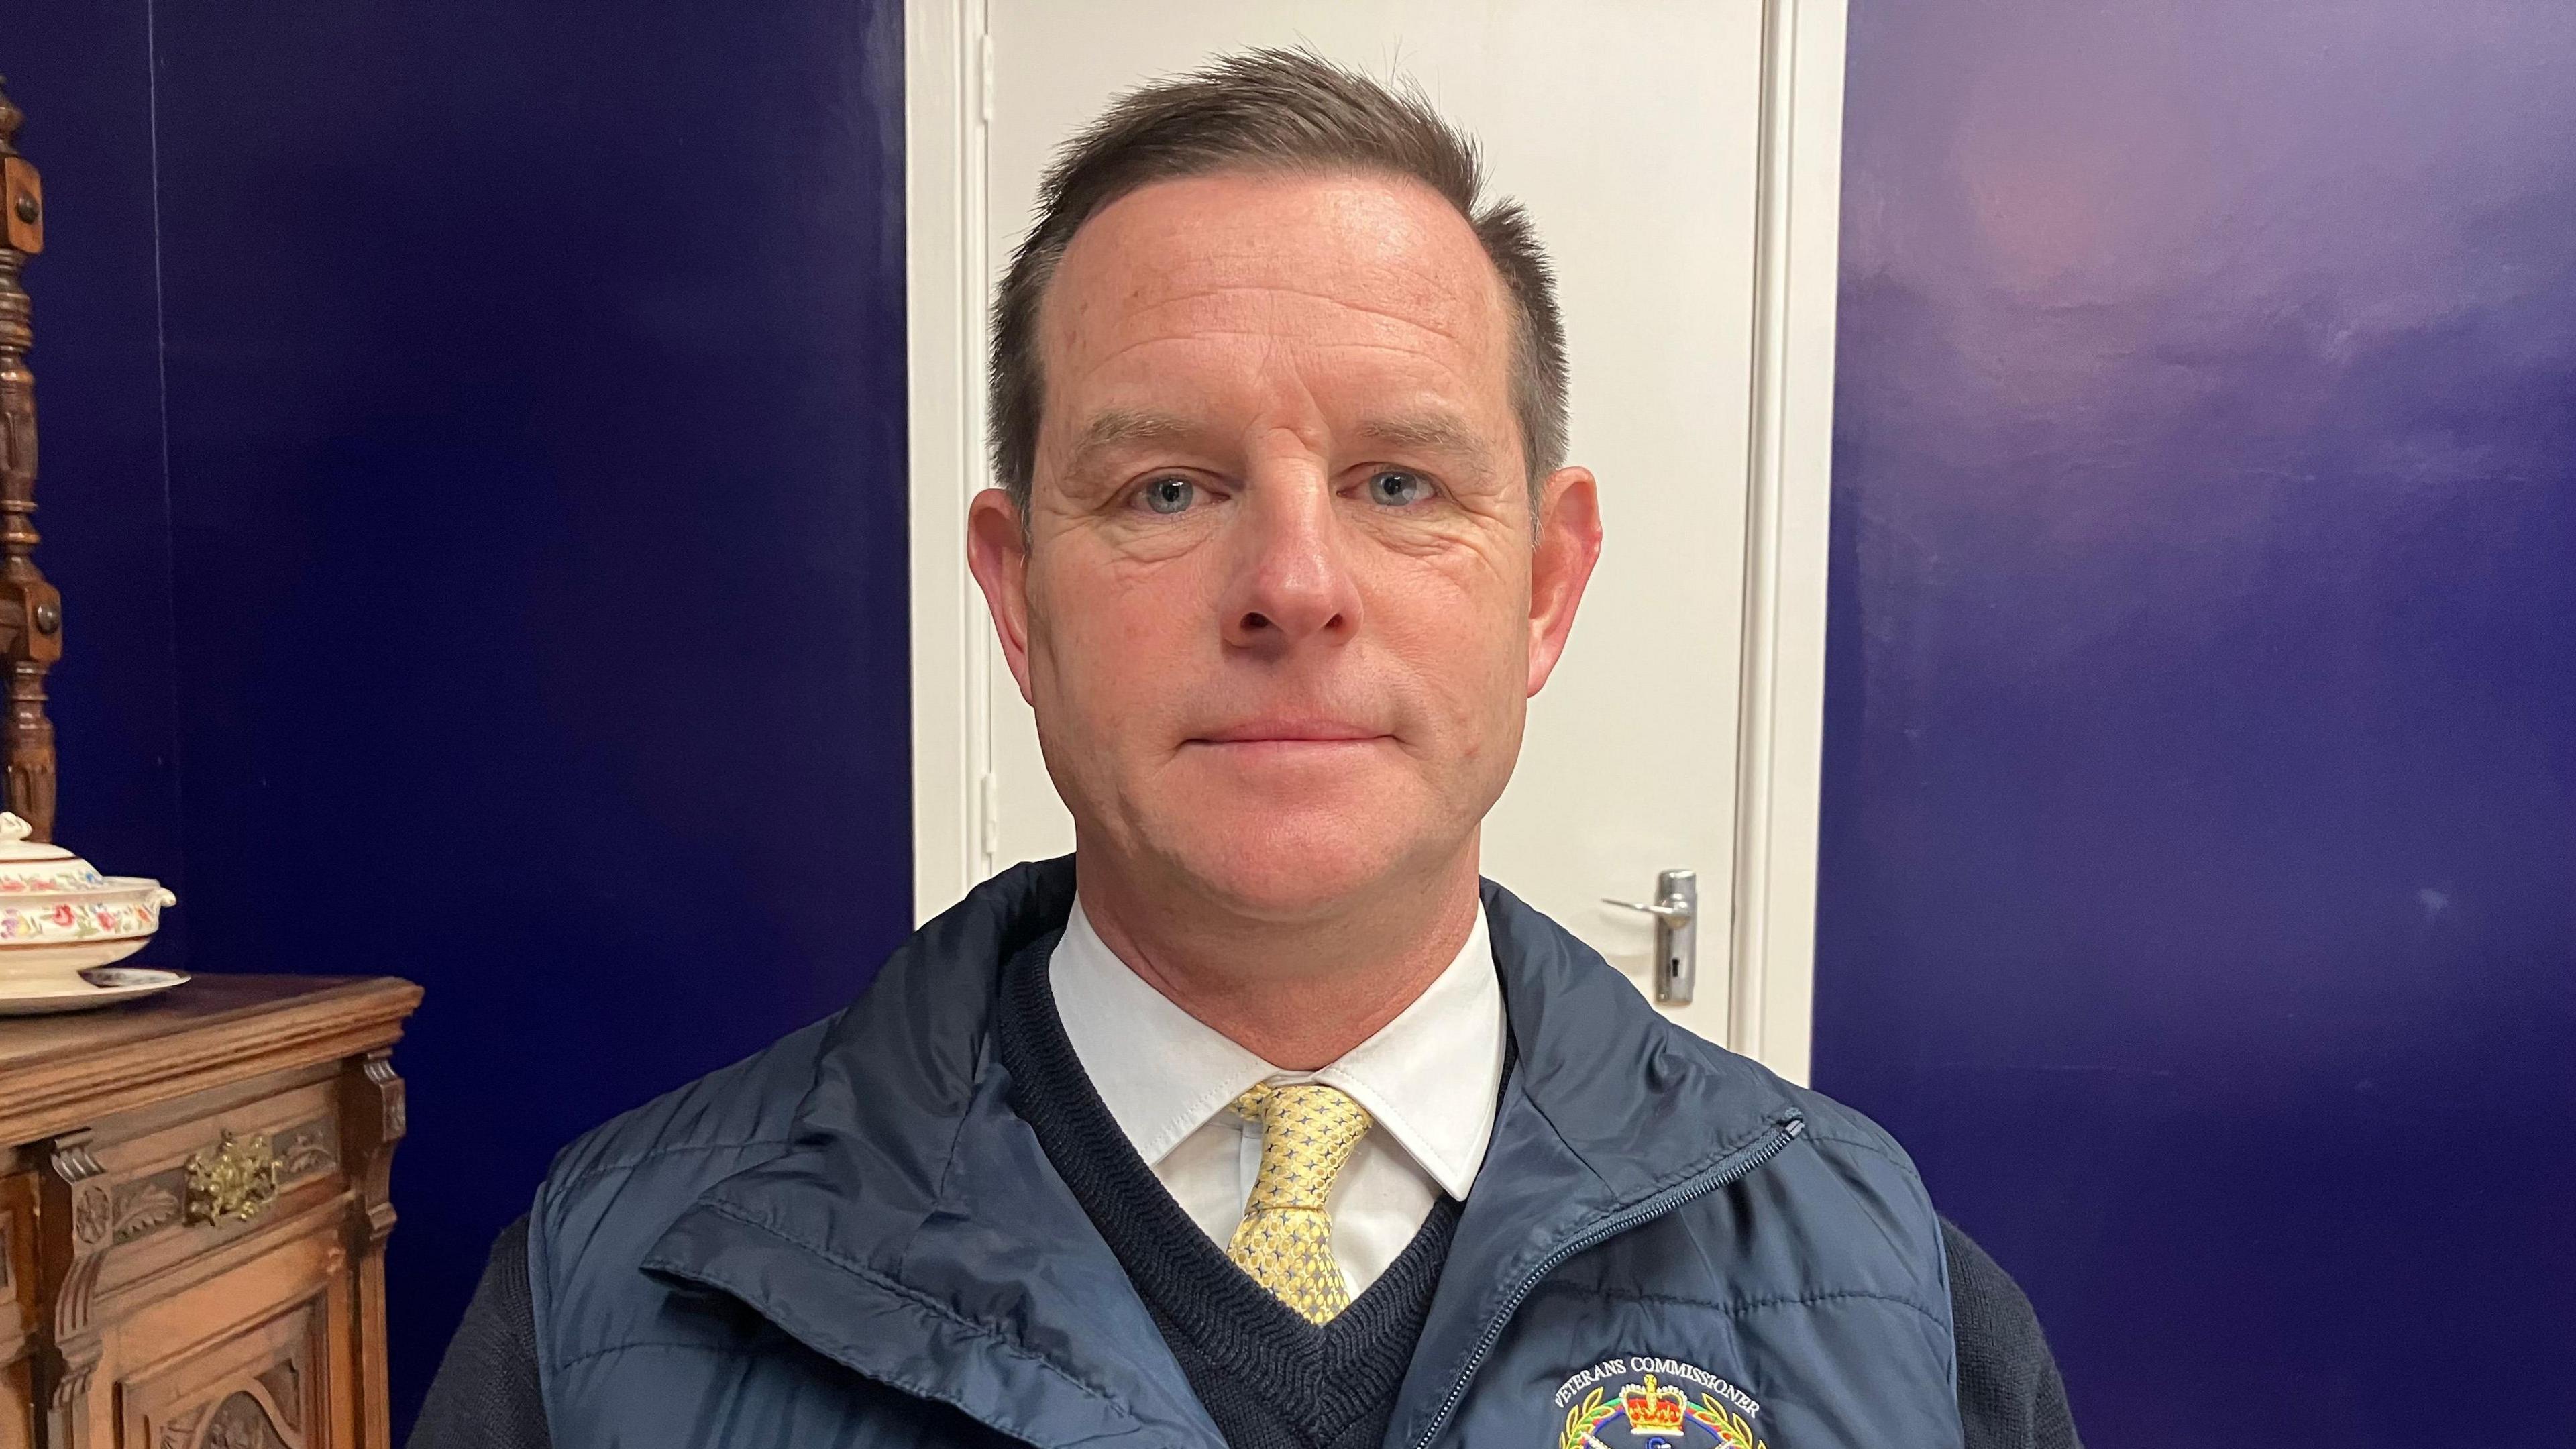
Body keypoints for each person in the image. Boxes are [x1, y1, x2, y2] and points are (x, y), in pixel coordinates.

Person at [413, 48, 2079, 1449]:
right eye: (1168, 490)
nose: (1292, 587)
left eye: (1400, 485)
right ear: (1019, 595)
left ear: (1547, 590)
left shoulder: (1898, 1308)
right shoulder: (606, 1308)